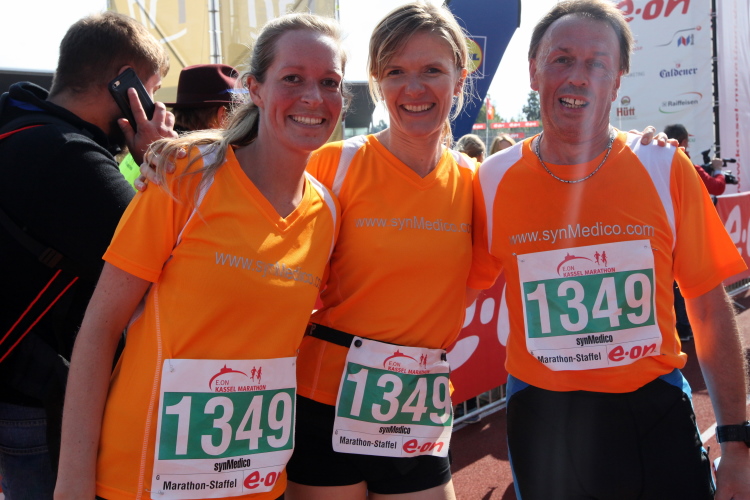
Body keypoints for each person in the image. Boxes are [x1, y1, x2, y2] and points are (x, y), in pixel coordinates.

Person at [54, 13, 345, 500]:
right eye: (293, 78)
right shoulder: (187, 175)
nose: (314, 97)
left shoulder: (327, 213)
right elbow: (100, 329)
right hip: (141, 481)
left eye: (330, 82)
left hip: (253, 483)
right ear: (255, 88)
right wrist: (73, 480)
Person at [469, 1, 750, 499]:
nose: (579, 77)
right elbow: (452, 289)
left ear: (617, 81)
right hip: (543, 418)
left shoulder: (664, 167)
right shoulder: (490, 180)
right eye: (561, 59)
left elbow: (709, 308)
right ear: (533, 71)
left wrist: (736, 442)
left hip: (653, 411)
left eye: (597, 63)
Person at [0, 12, 173, 499]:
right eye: (151, 91)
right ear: (125, 84)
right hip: (31, 404)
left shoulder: (17, 126)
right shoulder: (72, 158)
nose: (156, 107)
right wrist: (162, 159)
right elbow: (171, 262)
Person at [118, 63, 241, 185]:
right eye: (241, 114)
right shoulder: (207, 163)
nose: (244, 123)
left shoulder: (146, 146)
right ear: (223, 116)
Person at [664, 123, 727, 196]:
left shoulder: (658, 163)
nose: (688, 145)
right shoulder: (688, 167)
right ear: (684, 142)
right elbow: (718, 187)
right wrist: (718, 170)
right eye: (687, 142)